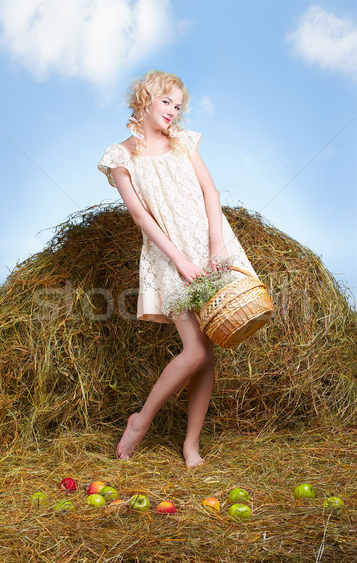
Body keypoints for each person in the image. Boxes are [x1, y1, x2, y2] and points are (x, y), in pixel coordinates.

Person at [98, 70, 257, 467]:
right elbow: (139, 216)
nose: (173, 110)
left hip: (212, 246)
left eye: (178, 105)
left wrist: (217, 244)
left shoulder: (185, 142)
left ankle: (191, 444)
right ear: (146, 99)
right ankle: (140, 421)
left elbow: (211, 191)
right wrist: (181, 261)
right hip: (170, 255)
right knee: (196, 350)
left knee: (209, 348)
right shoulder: (120, 156)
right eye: (166, 101)